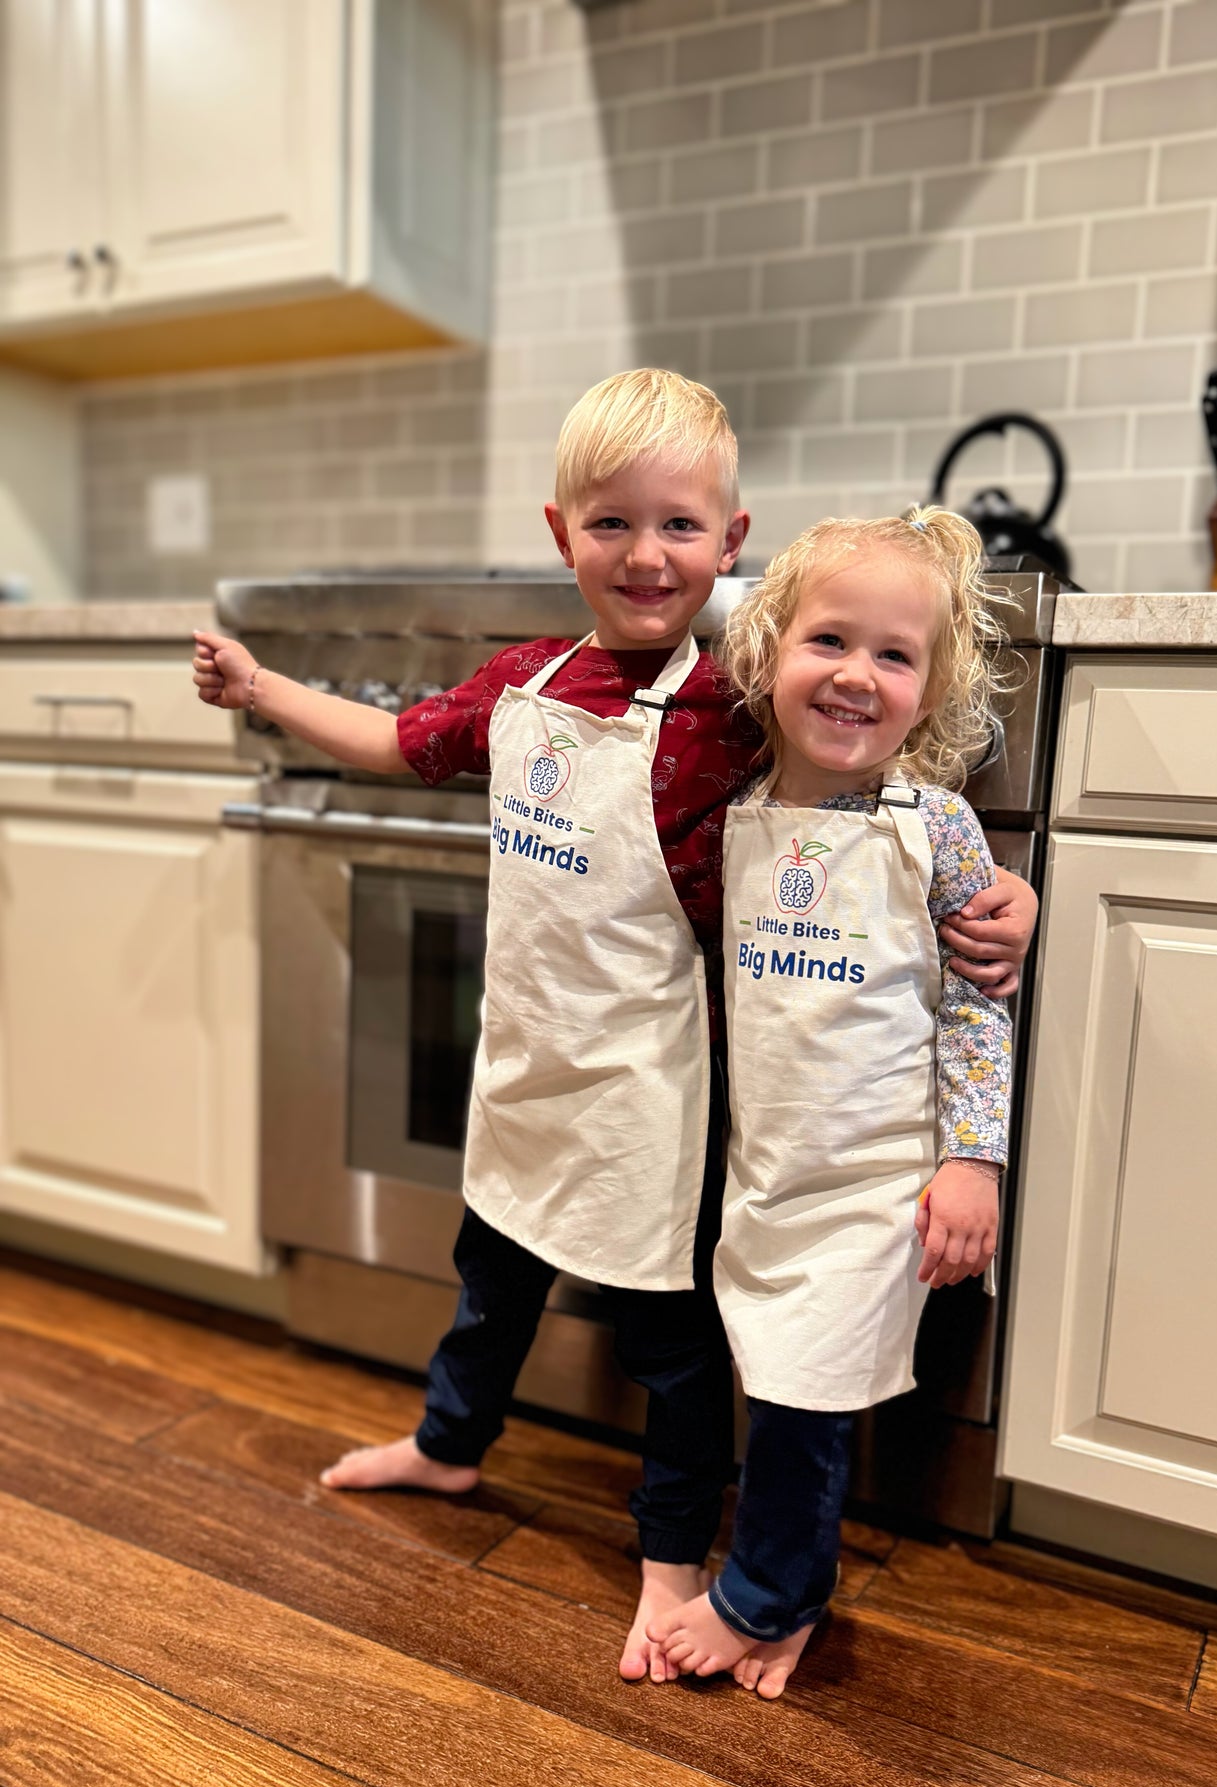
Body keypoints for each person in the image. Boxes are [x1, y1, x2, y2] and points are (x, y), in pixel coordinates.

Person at [193, 371, 1036, 1684]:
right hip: (526, 1065)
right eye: (612, 524)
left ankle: (667, 1556)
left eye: (680, 529)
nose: (647, 555)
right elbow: (394, 738)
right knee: (491, 1281)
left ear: (730, 546)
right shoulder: (518, 684)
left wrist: (1007, 896)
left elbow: (869, 764)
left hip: (656, 1086)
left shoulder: (732, 703)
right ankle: (449, 1442)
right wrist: (264, 687)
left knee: (669, 1347)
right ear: (559, 531)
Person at [649, 505, 1014, 1700]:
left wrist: (973, 1160)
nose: (856, 675)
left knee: (805, 1397)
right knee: (776, 1371)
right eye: (828, 642)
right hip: (769, 1168)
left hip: (875, 1176)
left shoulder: (938, 829)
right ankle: (784, 1583)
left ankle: (767, 1594)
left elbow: (977, 1002)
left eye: (894, 655)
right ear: (764, 652)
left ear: (930, 685)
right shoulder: (742, 806)